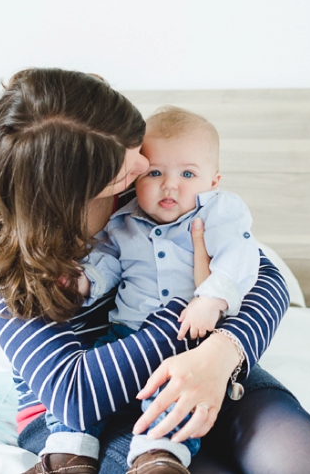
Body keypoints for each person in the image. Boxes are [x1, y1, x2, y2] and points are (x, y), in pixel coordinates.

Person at [0, 68, 310, 474]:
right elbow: (72, 392)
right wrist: (185, 317)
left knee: (295, 453)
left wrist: (222, 352)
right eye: (124, 157)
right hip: (83, 420)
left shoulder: (145, 182)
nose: (142, 159)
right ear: (72, 183)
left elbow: (265, 276)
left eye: (132, 140)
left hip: (201, 365)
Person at [44, 106, 260, 471]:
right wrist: (83, 282)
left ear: (213, 181)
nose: (170, 184)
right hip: (123, 335)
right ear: (136, 178)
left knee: (175, 396)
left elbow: (241, 256)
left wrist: (210, 296)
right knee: (92, 391)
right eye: (156, 172)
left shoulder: (219, 214)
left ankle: (158, 456)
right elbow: (107, 263)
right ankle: (69, 452)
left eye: (188, 173)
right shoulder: (122, 221)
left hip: (187, 340)